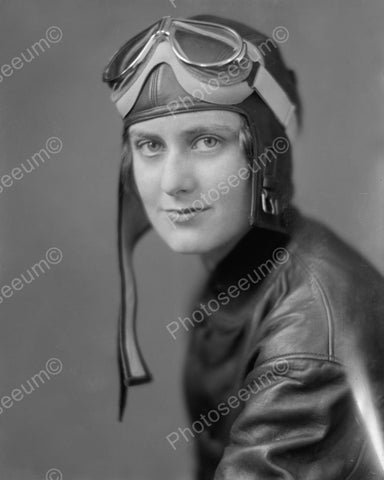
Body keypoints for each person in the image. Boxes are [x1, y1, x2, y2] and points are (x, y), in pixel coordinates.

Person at [102, 14, 384, 479]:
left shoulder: (310, 342)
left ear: (267, 158)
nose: (173, 182)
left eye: (207, 141)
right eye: (150, 145)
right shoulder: (243, 269)